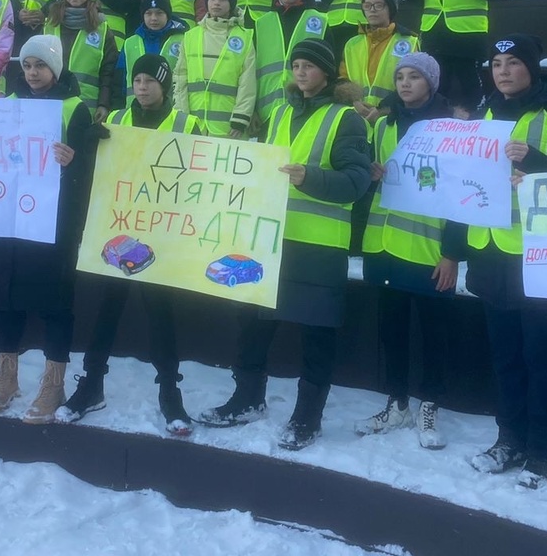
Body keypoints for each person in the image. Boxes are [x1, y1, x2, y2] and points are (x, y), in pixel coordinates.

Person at [200, 39, 370, 450]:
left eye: (309, 66)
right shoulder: (278, 112)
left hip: (319, 246)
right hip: (270, 240)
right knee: (254, 323)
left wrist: (308, 177)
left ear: (327, 74)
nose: (300, 72)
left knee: (316, 335)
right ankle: (247, 398)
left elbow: (356, 182)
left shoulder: (346, 118)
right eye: (295, 65)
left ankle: (307, 417)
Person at [465, 34, 547, 489]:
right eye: (496, 63)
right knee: (505, 357)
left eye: (513, 63)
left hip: (540, 258)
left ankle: (545, 450)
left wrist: (535, 163)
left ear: (532, 69)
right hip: (492, 252)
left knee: (541, 356)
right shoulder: (483, 116)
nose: (503, 71)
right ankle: (509, 438)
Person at [59, 54, 204, 435]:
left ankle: (170, 391)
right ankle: (91, 384)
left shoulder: (188, 124)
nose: (141, 87)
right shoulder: (117, 121)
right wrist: (89, 144)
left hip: (163, 234)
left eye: (150, 81)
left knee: (161, 313)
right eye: (137, 80)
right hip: (120, 233)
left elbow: (206, 180)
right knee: (107, 308)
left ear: (165, 84)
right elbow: (95, 174)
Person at [0, 35, 101, 424]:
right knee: (5, 297)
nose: (32, 73)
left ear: (56, 69)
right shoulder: (5, 106)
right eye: (27, 65)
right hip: (7, 218)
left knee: (55, 304)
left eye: (40, 66)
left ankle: (53, 383)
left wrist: (73, 161)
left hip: (51, 222)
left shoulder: (75, 109)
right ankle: (6, 377)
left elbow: (90, 171)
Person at [357, 53, 465, 449]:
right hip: (384, 243)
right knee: (392, 331)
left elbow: (459, 195)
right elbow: (374, 176)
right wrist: (371, 173)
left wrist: (452, 253)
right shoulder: (383, 123)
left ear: (431, 84)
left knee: (433, 334)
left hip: (429, 249)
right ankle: (398, 402)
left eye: (414, 77)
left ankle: (429, 403)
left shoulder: (451, 128)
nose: (405, 83)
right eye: (400, 77)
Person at [173, 0, 256, 139]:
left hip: (229, 129)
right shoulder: (190, 36)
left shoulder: (245, 37)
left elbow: (248, 83)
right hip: (193, 126)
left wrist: (241, 119)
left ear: (232, 2)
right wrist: (182, 116)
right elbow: (180, 77)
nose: (216, 2)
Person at [253, 0, 327, 126]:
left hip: (307, 113)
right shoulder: (261, 23)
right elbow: (250, 72)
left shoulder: (320, 21)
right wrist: (251, 110)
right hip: (267, 114)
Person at [45, 0, 120, 122]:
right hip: (52, 103)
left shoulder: (102, 28)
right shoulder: (50, 24)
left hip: (87, 107)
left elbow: (108, 71)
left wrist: (104, 104)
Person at [338, 0, 419, 122]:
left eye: (378, 5)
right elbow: (342, 79)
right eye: (367, 5)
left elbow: (414, 84)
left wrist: (383, 108)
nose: (372, 10)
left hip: (392, 117)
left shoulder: (409, 42)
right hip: (356, 118)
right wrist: (354, 102)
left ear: (390, 9)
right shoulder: (352, 44)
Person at [118, 0, 188, 101]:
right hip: (134, 111)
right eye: (148, 13)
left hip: (171, 112)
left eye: (159, 13)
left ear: (167, 15)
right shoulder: (130, 43)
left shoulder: (183, 40)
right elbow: (119, 82)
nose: (153, 18)